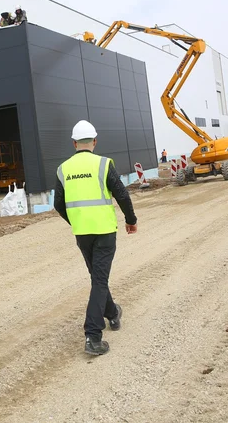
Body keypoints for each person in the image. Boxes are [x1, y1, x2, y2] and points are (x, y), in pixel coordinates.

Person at [54, 120, 138, 356]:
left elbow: (58, 204)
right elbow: (121, 194)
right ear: (95, 141)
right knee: (99, 280)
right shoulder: (103, 164)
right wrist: (130, 220)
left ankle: (112, 313)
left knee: (97, 276)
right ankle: (93, 335)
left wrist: (76, 220)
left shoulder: (63, 169)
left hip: (82, 232)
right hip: (104, 231)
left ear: (74, 143)